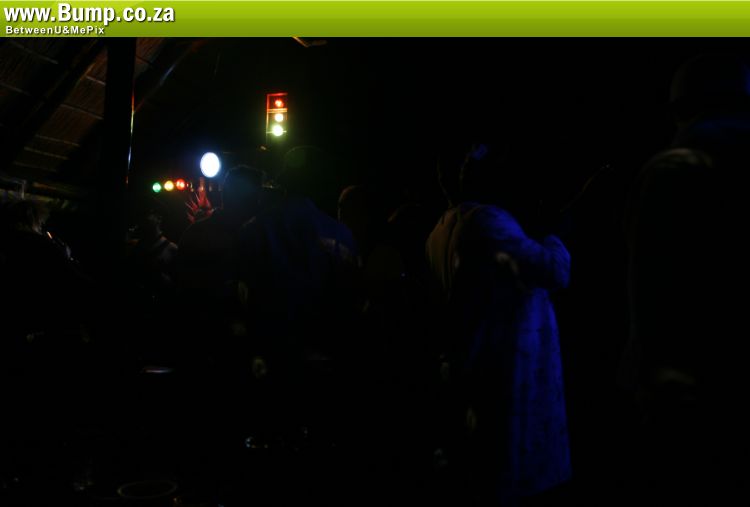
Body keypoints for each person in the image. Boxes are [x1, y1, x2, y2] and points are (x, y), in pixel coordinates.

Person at [623, 53, 750, 505]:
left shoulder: (678, 166)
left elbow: (653, 298)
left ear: (680, 106)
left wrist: (646, 383)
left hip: (699, 396)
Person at [425, 143, 571, 507]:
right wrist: (552, 231)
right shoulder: (487, 220)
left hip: (477, 370)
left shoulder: (439, 229)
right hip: (507, 379)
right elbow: (554, 270)